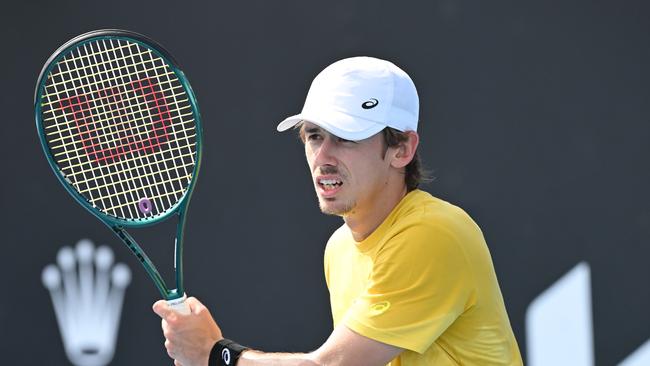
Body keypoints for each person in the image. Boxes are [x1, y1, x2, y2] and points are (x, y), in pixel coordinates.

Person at [153, 56, 523, 366]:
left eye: (347, 137)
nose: (323, 157)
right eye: (314, 135)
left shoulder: (434, 233)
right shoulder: (340, 248)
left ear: (402, 149)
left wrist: (216, 354)